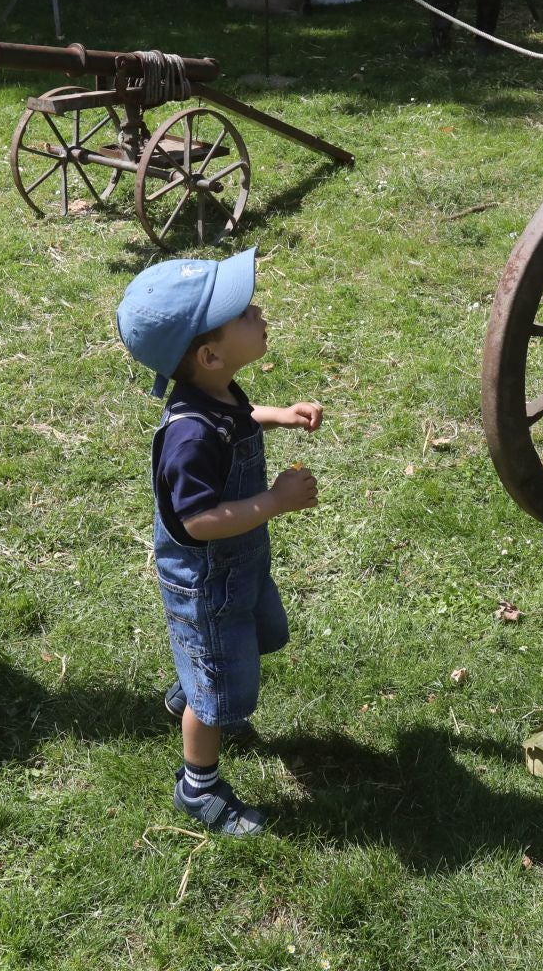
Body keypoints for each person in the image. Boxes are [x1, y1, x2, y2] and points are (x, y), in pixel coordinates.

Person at [116, 249, 322, 834]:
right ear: (209, 354)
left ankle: (189, 686)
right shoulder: (187, 437)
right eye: (244, 313)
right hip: (205, 582)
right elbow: (196, 522)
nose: (258, 311)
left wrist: (278, 413)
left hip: (241, 566)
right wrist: (274, 503)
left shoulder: (219, 390)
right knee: (218, 698)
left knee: (263, 633)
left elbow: (238, 416)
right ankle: (197, 786)